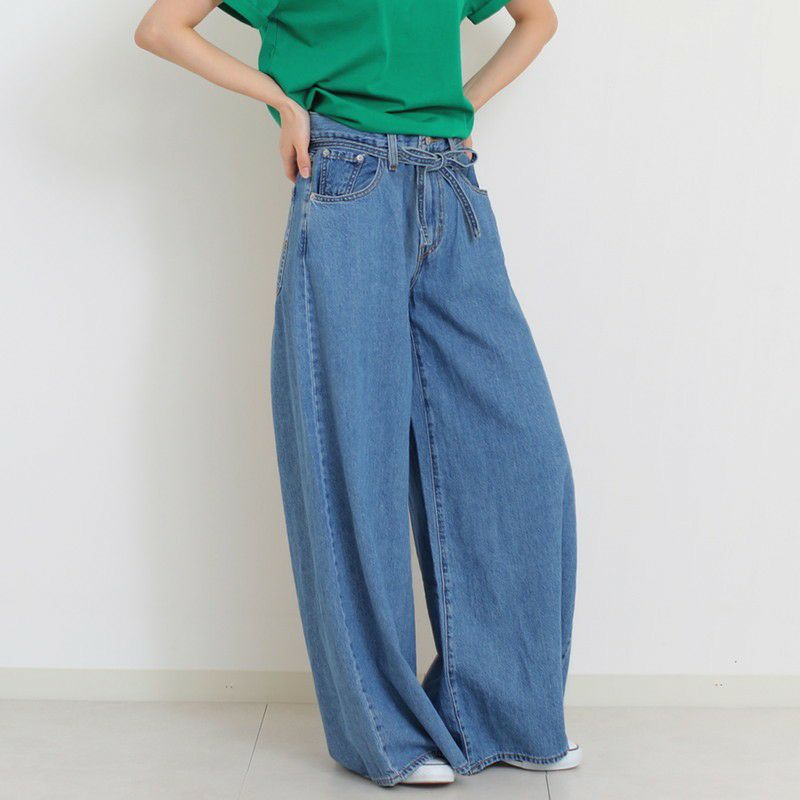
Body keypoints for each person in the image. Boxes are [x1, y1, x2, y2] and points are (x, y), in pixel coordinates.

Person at [135, 0, 579, 786]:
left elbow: (536, 17)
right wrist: (282, 103)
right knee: (353, 454)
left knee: (517, 455)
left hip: (451, 181)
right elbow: (162, 27)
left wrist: (466, 102)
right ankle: (387, 734)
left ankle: (504, 714)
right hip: (346, 177)